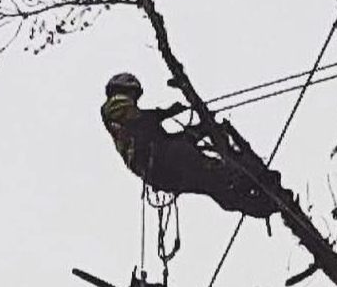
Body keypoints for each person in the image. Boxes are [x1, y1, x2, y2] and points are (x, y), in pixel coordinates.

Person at [101, 73, 278, 218]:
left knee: (211, 185)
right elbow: (141, 119)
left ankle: (261, 205)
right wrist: (167, 112)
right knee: (210, 168)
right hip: (161, 159)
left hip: (162, 170)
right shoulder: (114, 105)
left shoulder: (139, 132)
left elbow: (155, 132)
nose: (134, 98)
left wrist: (196, 129)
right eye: (133, 94)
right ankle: (252, 177)